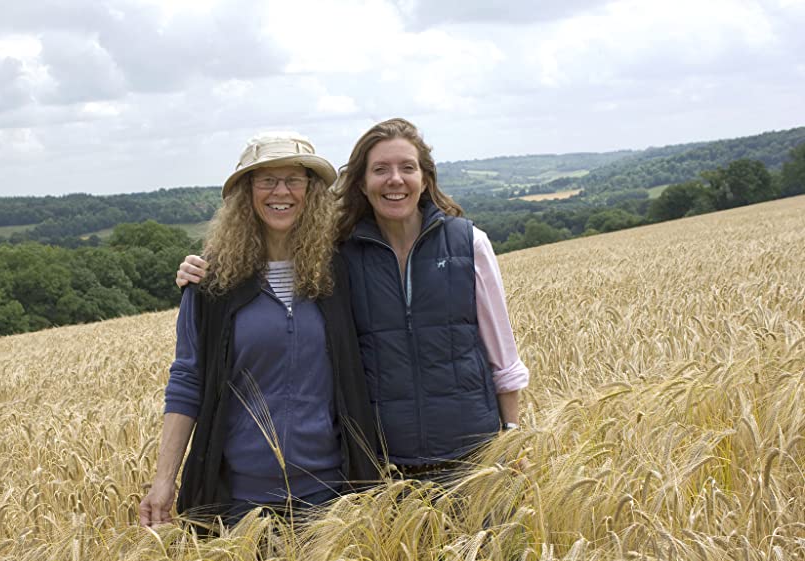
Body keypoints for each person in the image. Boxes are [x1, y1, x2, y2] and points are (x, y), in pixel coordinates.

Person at [177, 119, 529, 480]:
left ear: (425, 178)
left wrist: (512, 435)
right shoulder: (341, 257)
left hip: (477, 458)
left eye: (407, 168)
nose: (395, 180)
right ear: (362, 182)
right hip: (385, 469)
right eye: (380, 170)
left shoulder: (468, 245)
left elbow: (504, 359)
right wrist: (201, 272)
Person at [139, 132, 380, 530]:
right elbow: (186, 381)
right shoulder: (211, 284)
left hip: (331, 497)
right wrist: (163, 482)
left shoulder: (342, 272)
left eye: (293, 180)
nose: (279, 191)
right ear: (247, 193)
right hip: (237, 504)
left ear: (312, 191)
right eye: (266, 180)